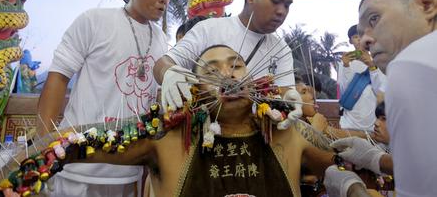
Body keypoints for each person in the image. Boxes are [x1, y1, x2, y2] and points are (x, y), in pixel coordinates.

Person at [50, 45, 335, 197]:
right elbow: (63, 143)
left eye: (236, 66)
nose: (228, 75)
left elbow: (344, 164)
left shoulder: (288, 130)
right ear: (194, 92)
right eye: (212, 71)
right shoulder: (166, 138)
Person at [36, 0, 171, 197]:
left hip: (130, 167)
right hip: (80, 164)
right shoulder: (94, 20)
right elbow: (58, 77)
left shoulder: (160, 38)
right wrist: (42, 147)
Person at [324, 0, 437, 197]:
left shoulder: (411, 62)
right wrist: (378, 160)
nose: (366, 40)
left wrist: (352, 190)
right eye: (361, 31)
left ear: (427, 4)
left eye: (374, 19)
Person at [153, 0, 299, 126]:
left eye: (287, 5)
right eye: (275, 1)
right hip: (205, 138)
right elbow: (162, 64)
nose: (282, 11)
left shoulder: (281, 49)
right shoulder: (209, 29)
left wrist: (290, 103)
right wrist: (170, 72)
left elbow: (285, 94)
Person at [337, 25, 386, 131]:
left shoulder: (378, 60)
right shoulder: (345, 62)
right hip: (349, 122)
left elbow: (380, 91)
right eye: (355, 37)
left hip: (371, 123)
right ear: (350, 41)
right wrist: (346, 66)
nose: (359, 39)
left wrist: (372, 66)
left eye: (361, 36)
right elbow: (344, 91)